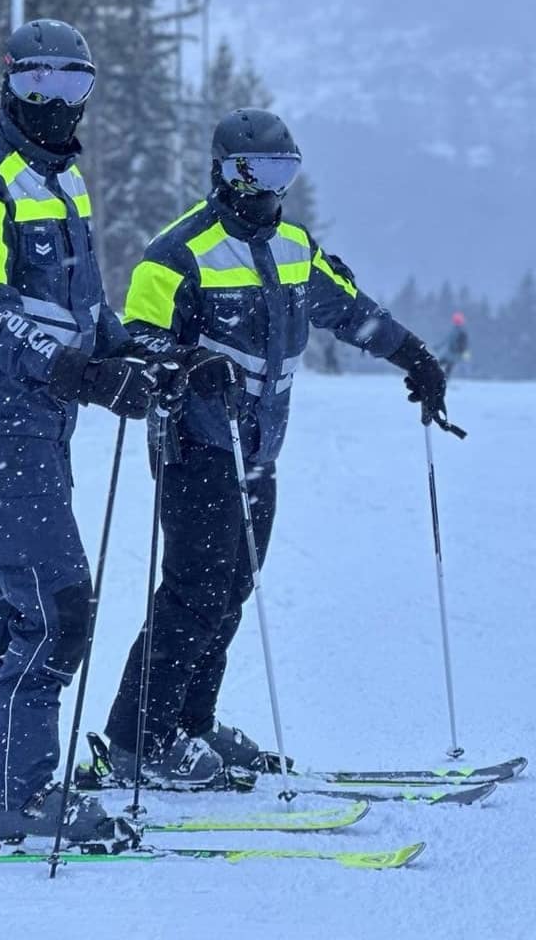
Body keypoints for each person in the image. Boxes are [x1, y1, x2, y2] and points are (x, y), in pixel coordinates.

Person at [98, 107, 449, 788]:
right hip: (196, 443)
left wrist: (414, 356)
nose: (267, 188)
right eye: (252, 172)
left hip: (260, 449)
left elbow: (349, 309)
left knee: (232, 588)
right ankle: (139, 740)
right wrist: (188, 362)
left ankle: (189, 724)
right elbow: (131, 343)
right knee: (194, 592)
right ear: (223, 173)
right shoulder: (176, 253)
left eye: (281, 172)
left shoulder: (293, 245)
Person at [0, 19, 186, 840]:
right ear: (8, 82)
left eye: (73, 86)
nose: (55, 102)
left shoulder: (61, 182)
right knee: (58, 601)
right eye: (38, 84)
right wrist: (82, 373)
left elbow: (78, 309)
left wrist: (143, 352)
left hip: (36, 413)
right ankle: (13, 793)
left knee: (6, 594)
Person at [438, 311, 470, 377]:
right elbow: (447, 339)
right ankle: (438, 379)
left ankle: (444, 381)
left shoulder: (461, 331)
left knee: (447, 367)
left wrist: (462, 351)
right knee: (441, 364)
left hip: (455, 353)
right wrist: (438, 346)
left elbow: (464, 344)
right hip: (450, 352)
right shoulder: (454, 330)